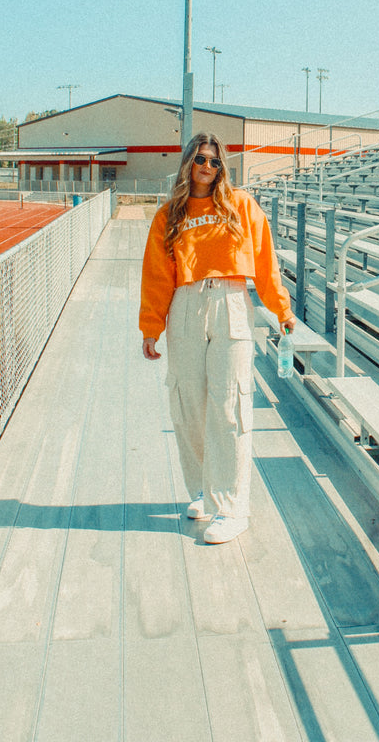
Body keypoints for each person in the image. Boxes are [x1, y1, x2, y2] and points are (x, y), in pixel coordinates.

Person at [140, 132, 296, 544]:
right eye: (200, 160)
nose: (207, 168)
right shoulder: (169, 214)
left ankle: (232, 508)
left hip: (231, 302)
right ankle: (204, 491)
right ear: (187, 163)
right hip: (185, 305)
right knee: (188, 405)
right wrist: (150, 327)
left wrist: (281, 310)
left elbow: (265, 261)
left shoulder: (241, 205)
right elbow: (157, 275)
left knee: (230, 405)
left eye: (214, 161)